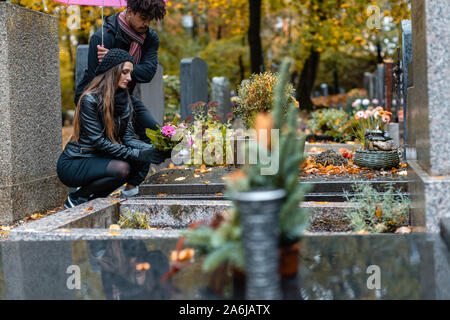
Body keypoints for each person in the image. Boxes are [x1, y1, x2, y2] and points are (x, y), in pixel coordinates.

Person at [57, 49, 170, 209]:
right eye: (125, 72)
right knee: (122, 168)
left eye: (130, 73)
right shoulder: (89, 100)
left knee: (137, 161)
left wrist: (153, 150)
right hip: (76, 161)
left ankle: (93, 201)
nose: (130, 78)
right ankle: (77, 198)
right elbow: (98, 142)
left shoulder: (125, 101)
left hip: (99, 159)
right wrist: (139, 153)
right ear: (112, 71)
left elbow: (128, 138)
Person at [75, 0, 166, 142]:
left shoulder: (149, 38)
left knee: (155, 136)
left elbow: (148, 72)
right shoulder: (102, 37)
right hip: (96, 100)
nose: (147, 24)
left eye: (150, 19)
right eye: (143, 18)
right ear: (129, 12)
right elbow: (96, 81)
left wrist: (116, 60)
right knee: (116, 146)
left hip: (124, 96)